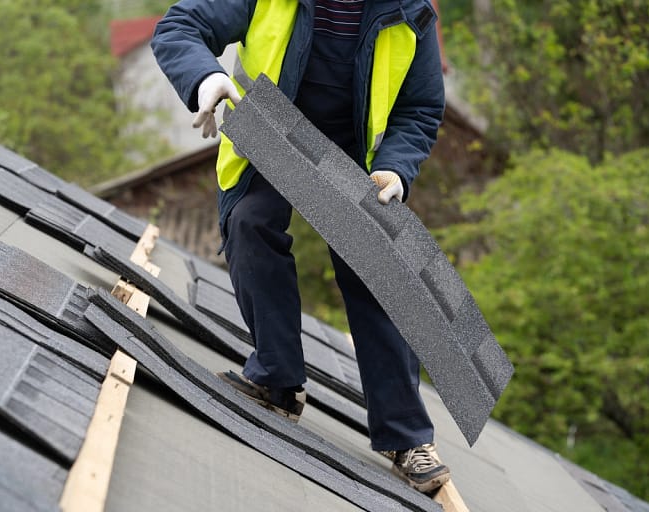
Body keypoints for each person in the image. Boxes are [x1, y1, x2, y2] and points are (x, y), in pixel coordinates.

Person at [151, 0, 449, 494]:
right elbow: (180, 25)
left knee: (378, 267)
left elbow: (419, 109)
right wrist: (205, 78)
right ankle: (277, 381)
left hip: (356, 158)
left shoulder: (410, 11)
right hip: (272, 136)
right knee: (250, 223)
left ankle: (406, 437)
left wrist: (397, 166)